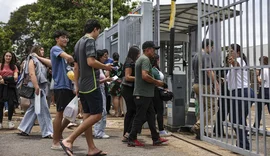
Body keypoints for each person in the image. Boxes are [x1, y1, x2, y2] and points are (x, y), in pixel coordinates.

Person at [60, 19, 112, 156]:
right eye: (98, 31)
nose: (98, 34)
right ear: (95, 29)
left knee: (87, 116)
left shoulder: (78, 43)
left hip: (82, 85)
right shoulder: (90, 41)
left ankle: (91, 148)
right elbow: (91, 61)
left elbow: (76, 67)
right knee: (97, 115)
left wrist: (76, 85)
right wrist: (106, 67)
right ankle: (69, 139)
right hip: (92, 83)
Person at [127, 41, 168, 147]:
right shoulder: (145, 60)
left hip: (146, 94)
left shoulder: (142, 59)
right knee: (139, 117)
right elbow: (145, 76)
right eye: (153, 49)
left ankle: (156, 138)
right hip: (143, 94)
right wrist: (157, 82)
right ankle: (131, 138)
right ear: (147, 49)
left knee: (151, 116)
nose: (154, 52)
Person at [17, 45, 53, 138]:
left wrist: (38, 57)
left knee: (34, 108)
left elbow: (51, 63)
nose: (43, 51)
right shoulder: (32, 60)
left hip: (39, 86)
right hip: (35, 86)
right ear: (36, 50)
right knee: (43, 109)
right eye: (41, 50)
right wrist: (36, 87)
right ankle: (48, 131)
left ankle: (24, 128)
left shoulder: (39, 60)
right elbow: (32, 74)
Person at [50, 30, 75, 149]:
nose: (65, 40)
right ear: (57, 39)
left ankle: (58, 135)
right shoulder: (55, 49)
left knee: (70, 114)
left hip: (67, 86)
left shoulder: (61, 51)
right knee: (59, 113)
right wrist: (73, 59)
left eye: (66, 38)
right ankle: (55, 141)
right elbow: (69, 58)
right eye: (63, 37)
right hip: (60, 86)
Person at [227, 44, 254, 150]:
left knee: (236, 119)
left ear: (238, 52)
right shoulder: (232, 64)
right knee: (239, 119)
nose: (229, 53)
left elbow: (237, 65)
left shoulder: (240, 60)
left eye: (232, 51)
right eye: (229, 51)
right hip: (238, 92)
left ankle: (244, 145)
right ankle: (242, 144)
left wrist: (233, 62)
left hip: (241, 92)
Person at [191, 39, 219, 140]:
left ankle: (200, 132)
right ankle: (198, 126)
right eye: (212, 47)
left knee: (202, 108)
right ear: (207, 46)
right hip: (204, 85)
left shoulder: (195, 56)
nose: (212, 49)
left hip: (196, 84)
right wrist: (215, 83)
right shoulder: (206, 56)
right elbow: (208, 71)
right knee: (214, 107)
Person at [121, 46, 140, 142]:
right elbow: (128, 77)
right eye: (138, 53)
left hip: (128, 89)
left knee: (130, 111)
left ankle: (126, 133)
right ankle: (128, 133)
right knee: (133, 110)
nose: (139, 55)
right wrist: (140, 78)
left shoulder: (129, 61)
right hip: (128, 89)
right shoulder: (129, 62)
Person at [150, 53, 171, 136]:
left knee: (153, 112)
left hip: (156, 91)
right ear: (156, 60)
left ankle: (136, 129)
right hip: (157, 92)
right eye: (158, 60)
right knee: (159, 111)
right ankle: (161, 130)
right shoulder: (154, 70)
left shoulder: (155, 69)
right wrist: (164, 86)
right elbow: (158, 82)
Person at [93, 50, 112, 139]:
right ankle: (98, 132)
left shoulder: (100, 68)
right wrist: (105, 80)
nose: (106, 58)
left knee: (102, 111)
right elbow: (95, 81)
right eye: (104, 56)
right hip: (98, 89)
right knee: (101, 111)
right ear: (99, 57)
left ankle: (99, 131)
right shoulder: (96, 67)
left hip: (102, 88)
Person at [0, 51, 19, 129]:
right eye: (7, 56)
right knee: (0, 104)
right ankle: (0, 122)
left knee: (11, 104)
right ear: (4, 56)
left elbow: (15, 77)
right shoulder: (0, 65)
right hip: (1, 87)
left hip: (10, 87)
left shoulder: (14, 67)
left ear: (12, 57)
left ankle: (10, 120)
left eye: (10, 56)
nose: (8, 57)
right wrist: (9, 78)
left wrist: (4, 79)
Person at [253, 56, 270, 129]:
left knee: (259, 109)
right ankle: (255, 126)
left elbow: (260, 82)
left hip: (263, 90)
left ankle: (256, 126)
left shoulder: (264, 70)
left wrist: (257, 75)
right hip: (268, 89)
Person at [108, 52, 124, 117]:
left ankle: (116, 112)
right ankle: (122, 111)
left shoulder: (111, 65)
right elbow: (123, 74)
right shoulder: (121, 65)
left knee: (115, 97)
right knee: (120, 97)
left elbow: (107, 74)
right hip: (120, 81)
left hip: (113, 82)